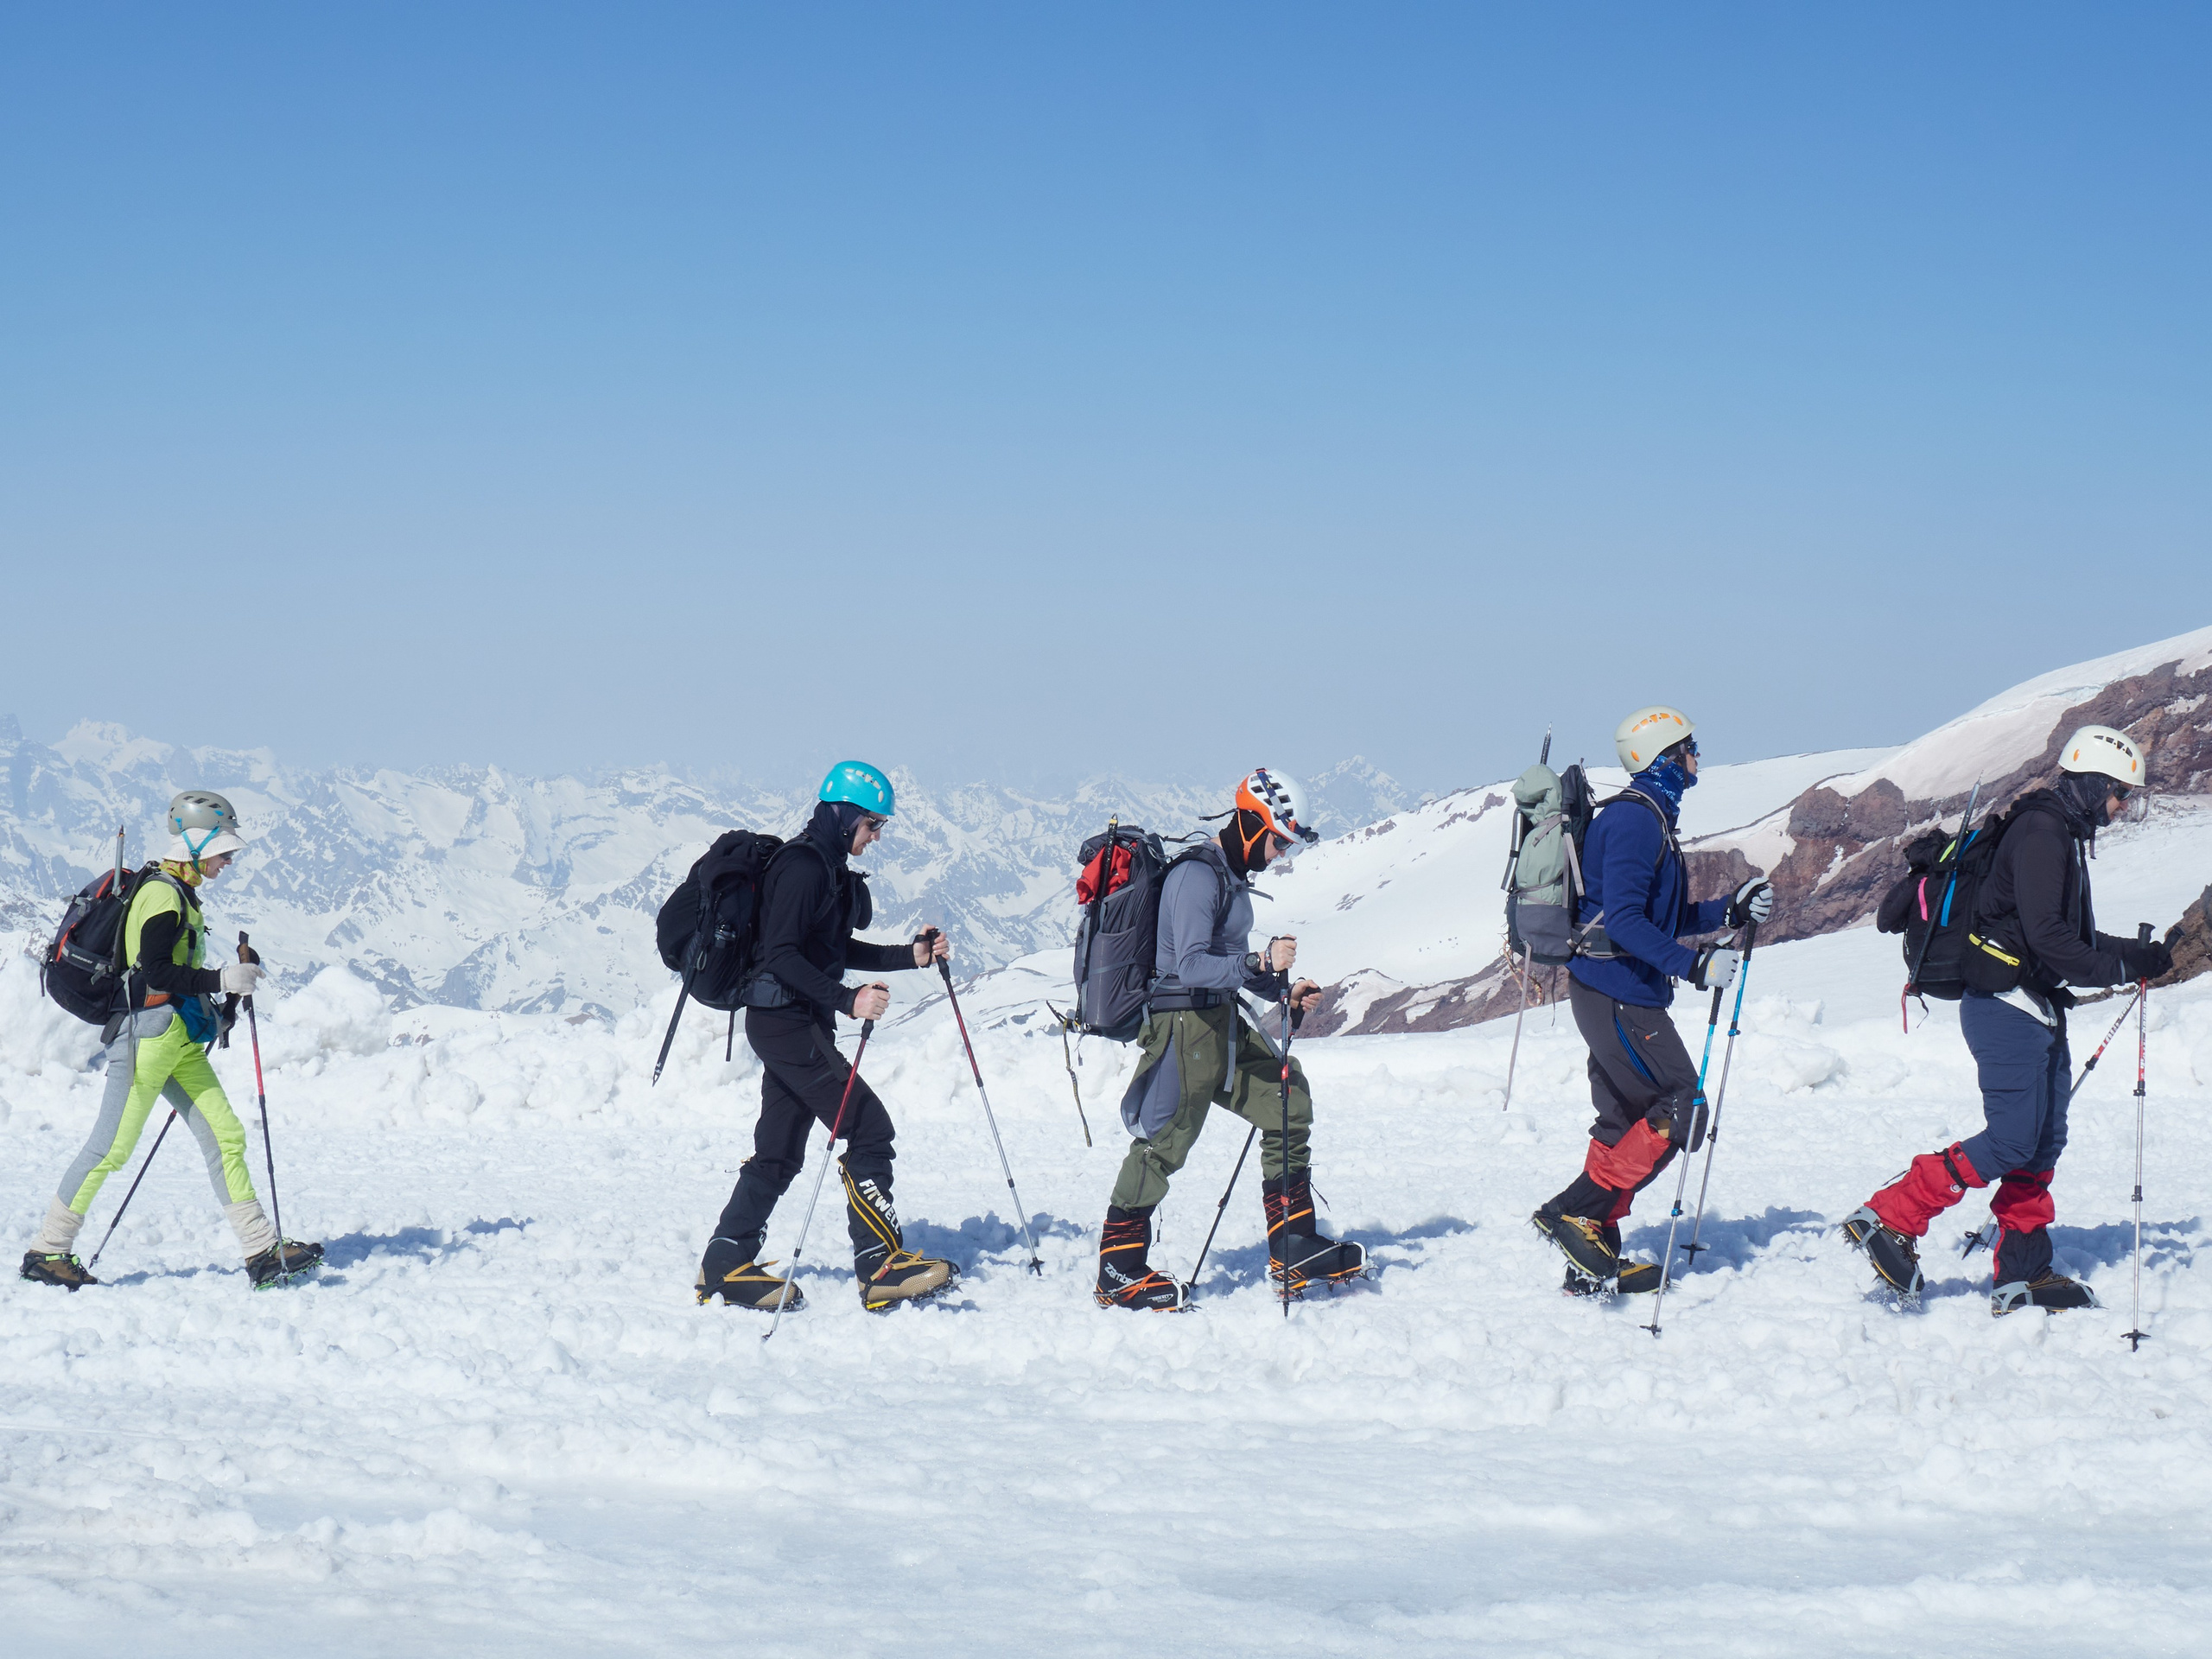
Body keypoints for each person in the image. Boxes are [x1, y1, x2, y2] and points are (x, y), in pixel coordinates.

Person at [1844, 724, 2169, 1314]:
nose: (2123, 807)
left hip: (2034, 1007)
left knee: (2042, 1142)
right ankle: (1890, 1215)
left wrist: (2137, 954)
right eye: (2121, 793)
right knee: (2015, 1138)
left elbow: (2068, 935)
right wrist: (2122, 964)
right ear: (2094, 785)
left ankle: (2023, 1272)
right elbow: (2052, 942)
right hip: (2006, 1008)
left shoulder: (2059, 832)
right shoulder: (2042, 834)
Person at [20, 791, 323, 1292]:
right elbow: (156, 970)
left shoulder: (177, 891)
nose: (228, 861)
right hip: (145, 1039)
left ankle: (261, 1252)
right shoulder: (162, 895)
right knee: (111, 1148)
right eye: (224, 851)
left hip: (174, 1039)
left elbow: (173, 975)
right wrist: (222, 978)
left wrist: (222, 1003)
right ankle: (48, 1250)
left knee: (226, 1136)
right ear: (198, 843)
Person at [1095, 767, 1366, 1312]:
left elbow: (1226, 966)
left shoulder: (1229, 876)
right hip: (1182, 1026)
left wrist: (1278, 989)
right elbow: (1192, 964)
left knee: (1288, 1098)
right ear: (1249, 823)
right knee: (1166, 1139)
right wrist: (1260, 960)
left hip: (1219, 1021)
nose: (1279, 856)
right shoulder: (1197, 878)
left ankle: (1292, 1244)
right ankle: (1117, 1269)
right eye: (1276, 842)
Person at [696, 761, 959, 1313]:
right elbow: (780, 955)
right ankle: (880, 1266)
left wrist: (909, 957)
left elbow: (833, 950)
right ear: (843, 816)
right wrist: (847, 999)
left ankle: (724, 1263)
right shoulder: (803, 869)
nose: (877, 835)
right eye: (871, 823)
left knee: (779, 1150)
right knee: (867, 1126)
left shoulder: (827, 866)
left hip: (790, 1023)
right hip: (786, 1023)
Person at [1530, 707, 1773, 1295]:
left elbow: (1660, 917)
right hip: (1618, 995)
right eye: (1691, 747)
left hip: (1612, 990)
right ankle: (1572, 1212)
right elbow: (1629, 924)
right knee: (1681, 1107)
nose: (1698, 758)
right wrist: (1695, 965)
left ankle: (1590, 1259)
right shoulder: (1636, 823)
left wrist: (1727, 912)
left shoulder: (1651, 817)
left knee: (1623, 1121)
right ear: (1665, 757)